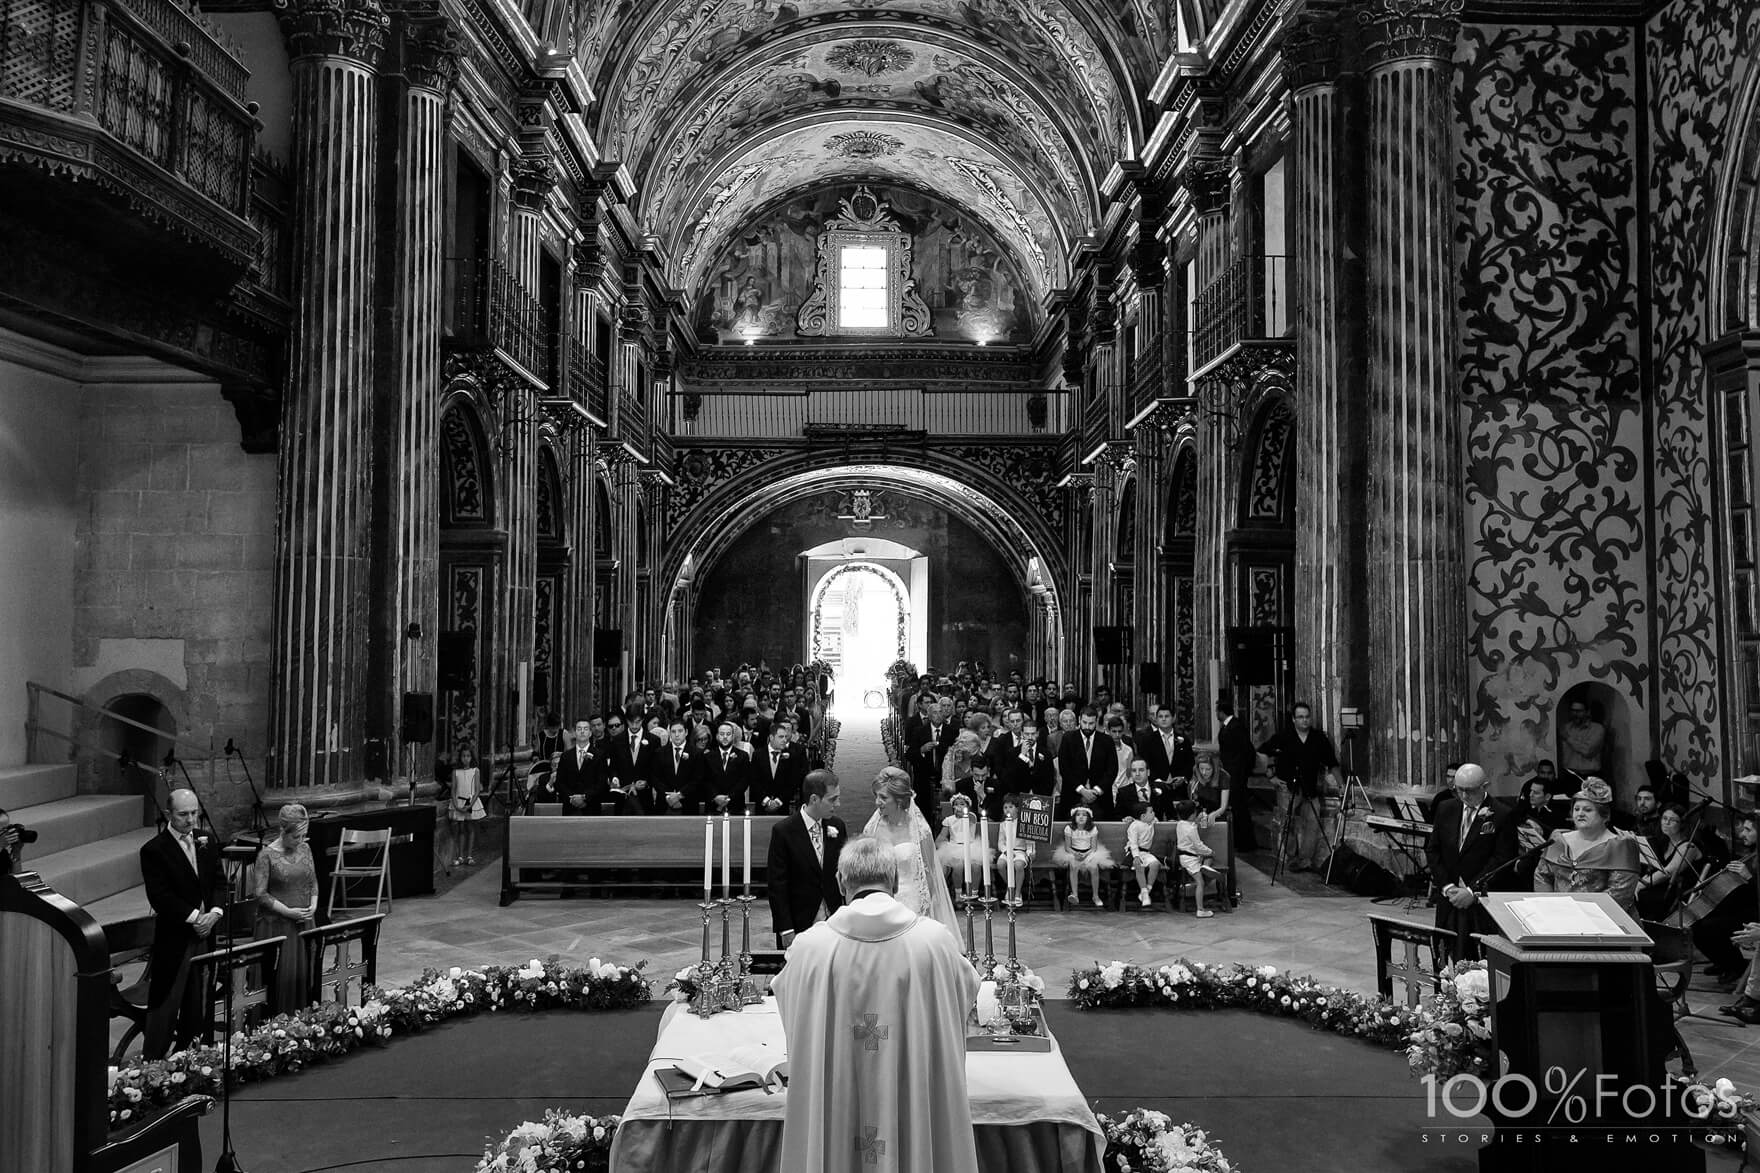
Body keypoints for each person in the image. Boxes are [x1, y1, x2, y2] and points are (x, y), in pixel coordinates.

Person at [771, 836, 980, 1173]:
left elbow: (789, 1002)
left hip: (838, 1100)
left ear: (840, 883)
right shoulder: (935, 942)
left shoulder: (810, 948)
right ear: (895, 881)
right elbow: (965, 994)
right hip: (913, 1098)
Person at [140, 788, 225, 1058]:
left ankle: (197, 1054)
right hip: (175, 937)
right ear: (169, 814)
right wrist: (194, 917)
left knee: (199, 998)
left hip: (206, 933)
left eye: (194, 813)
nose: (190, 820)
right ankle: (154, 1060)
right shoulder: (154, 850)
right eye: (183, 814)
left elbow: (220, 881)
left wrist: (214, 913)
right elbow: (159, 895)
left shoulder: (206, 840)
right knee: (168, 998)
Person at [1425, 763, 1516, 964]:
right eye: (1460, 790)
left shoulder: (1501, 814)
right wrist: (1447, 886)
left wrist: (1472, 891)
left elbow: (1502, 859)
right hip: (1449, 897)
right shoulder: (1446, 808)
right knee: (1444, 953)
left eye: (1470, 791)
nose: (1465, 796)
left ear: (1485, 786)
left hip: (1479, 902)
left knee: (1476, 959)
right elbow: (1433, 850)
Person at [862, 766, 961, 937]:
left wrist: (925, 906)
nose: (877, 802)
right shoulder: (872, 828)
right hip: (881, 901)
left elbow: (930, 871)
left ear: (899, 800)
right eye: (876, 796)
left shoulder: (920, 829)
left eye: (883, 797)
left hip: (913, 901)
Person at [1532, 777, 1643, 918]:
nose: (1580, 814)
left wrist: (1580, 916)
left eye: (1588, 810)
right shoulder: (1559, 839)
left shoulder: (1621, 845)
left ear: (1605, 815)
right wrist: (1552, 908)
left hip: (1604, 922)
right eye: (1576, 809)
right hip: (1559, 917)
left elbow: (1620, 893)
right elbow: (1542, 876)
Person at [766, 768, 847, 948]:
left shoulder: (837, 826)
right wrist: (785, 928)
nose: (838, 804)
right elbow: (777, 884)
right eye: (833, 799)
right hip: (799, 921)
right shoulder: (784, 831)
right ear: (814, 799)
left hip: (833, 920)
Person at [1258, 702, 1340, 871]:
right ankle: (1291, 857)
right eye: (1300, 717)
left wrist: (1342, 785)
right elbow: (1262, 752)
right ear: (1294, 719)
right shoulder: (1284, 736)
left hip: (1310, 788)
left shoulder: (1318, 738)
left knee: (1313, 823)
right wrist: (1270, 776)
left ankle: (1304, 860)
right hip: (1287, 788)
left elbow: (1332, 763)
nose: (1304, 720)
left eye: (1307, 717)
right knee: (1287, 824)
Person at [254, 803, 317, 1011]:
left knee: (305, 975)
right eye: (295, 837)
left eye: (303, 836)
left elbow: (313, 881)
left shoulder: (305, 848)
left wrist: (314, 905)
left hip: (304, 923)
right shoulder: (266, 855)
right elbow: (261, 894)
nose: (300, 841)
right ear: (283, 831)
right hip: (278, 926)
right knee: (282, 977)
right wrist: (288, 912)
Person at [1691, 812, 1759, 981]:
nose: (1742, 834)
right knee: (1697, 922)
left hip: (1755, 912)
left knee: (1711, 928)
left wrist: (1749, 876)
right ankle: (1723, 962)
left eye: (1748, 830)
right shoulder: (1752, 853)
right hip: (1745, 906)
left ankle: (1736, 966)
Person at [1637, 803, 1704, 919]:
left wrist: (1640, 885)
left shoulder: (1689, 846)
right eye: (1664, 818)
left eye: (1672, 820)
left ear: (1682, 824)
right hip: (1664, 888)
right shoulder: (1665, 842)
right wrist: (1638, 883)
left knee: (1642, 897)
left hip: (1679, 894)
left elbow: (1668, 872)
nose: (1666, 823)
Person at [1215, 698, 1259, 851]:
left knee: (1240, 807)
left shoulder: (1235, 726)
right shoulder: (1229, 726)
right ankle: (1239, 841)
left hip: (1237, 774)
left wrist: (1242, 772)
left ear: (1221, 712)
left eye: (1217, 711)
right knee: (1236, 806)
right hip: (1231, 772)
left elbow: (1246, 751)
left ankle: (1245, 843)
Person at [1056, 707, 1115, 819]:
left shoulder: (1107, 741)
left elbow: (1112, 770)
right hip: (1072, 796)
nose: (1087, 727)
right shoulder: (1068, 738)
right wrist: (1081, 790)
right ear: (1079, 720)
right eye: (1084, 722)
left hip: (1100, 799)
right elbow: (1064, 768)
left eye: (1091, 723)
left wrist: (1096, 791)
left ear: (1096, 722)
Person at [1052, 805, 1111, 907]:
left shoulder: (1092, 829)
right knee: (1073, 866)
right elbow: (1067, 847)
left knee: (1094, 868)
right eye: (1078, 815)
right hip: (1073, 852)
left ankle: (1095, 896)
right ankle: (1075, 894)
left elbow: (1093, 847)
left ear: (1089, 817)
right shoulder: (1069, 828)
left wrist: (1085, 854)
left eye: (1084, 815)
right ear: (1074, 817)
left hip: (1089, 852)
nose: (1081, 817)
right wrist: (1075, 854)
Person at [934, 794, 991, 896]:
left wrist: (965, 812)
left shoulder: (971, 817)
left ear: (968, 807)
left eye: (962, 804)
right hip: (955, 846)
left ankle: (974, 892)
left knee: (976, 866)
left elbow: (969, 817)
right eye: (956, 804)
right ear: (953, 807)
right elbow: (942, 836)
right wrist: (941, 843)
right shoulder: (949, 820)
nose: (959, 806)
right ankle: (958, 893)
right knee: (957, 866)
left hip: (971, 847)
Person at [1171, 800, 1219, 918]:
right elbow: (1198, 846)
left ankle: (1205, 867)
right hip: (1190, 859)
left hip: (1185, 856)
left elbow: (1191, 824)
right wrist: (1211, 851)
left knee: (1207, 858)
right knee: (1200, 882)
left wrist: (1196, 821)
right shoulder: (1191, 829)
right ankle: (1200, 909)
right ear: (1193, 814)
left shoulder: (1180, 823)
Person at [557, 719, 606, 816]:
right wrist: (571, 798)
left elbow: (602, 782)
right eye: (579, 729)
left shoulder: (599, 755)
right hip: (570, 807)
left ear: (590, 733)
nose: (582, 731)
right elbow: (560, 782)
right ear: (575, 733)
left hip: (592, 807)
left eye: (585, 729)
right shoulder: (566, 756)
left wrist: (585, 797)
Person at [995, 794, 1034, 906]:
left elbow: (1030, 842)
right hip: (1007, 851)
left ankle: (1017, 894)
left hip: (1020, 851)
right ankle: (1011, 887)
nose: (1008, 809)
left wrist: (1031, 852)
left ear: (1017, 808)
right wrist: (1006, 851)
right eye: (1005, 807)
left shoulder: (1024, 823)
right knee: (1000, 864)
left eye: (1011, 807)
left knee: (1018, 865)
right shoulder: (1003, 824)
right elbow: (1001, 842)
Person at [449, 746, 485, 865]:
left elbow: (477, 790)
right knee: (460, 829)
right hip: (459, 801)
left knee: (470, 828)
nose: (466, 759)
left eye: (468, 756)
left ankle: (469, 856)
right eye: (463, 756)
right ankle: (460, 856)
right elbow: (453, 789)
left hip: (470, 802)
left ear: (471, 757)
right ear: (460, 757)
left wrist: (470, 806)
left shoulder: (475, 771)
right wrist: (456, 805)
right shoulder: (456, 772)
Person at [1124, 801, 1162, 908]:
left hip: (1146, 852)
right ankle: (1144, 892)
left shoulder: (1151, 822)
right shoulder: (1134, 826)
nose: (1154, 813)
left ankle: (1147, 890)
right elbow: (1133, 843)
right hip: (1134, 852)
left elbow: (1155, 820)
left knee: (1155, 864)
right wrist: (1136, 857)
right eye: (1151, 812)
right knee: (1138, 866)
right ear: (1143, 816)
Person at [1558, 699, 1607, 778]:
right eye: (1573, 711)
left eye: (1579, 711)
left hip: (1590, 776)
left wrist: (1568, 738)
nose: (1575, 714)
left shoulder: (1597, 729)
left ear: (1587, 712)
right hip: (1569, 775)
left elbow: (1588, 751)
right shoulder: (1566, 728)